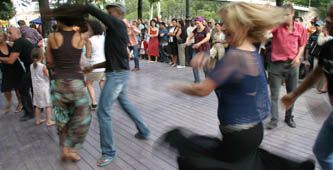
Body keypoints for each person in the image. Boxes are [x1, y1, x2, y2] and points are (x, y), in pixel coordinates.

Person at [160, 3, 315, 170]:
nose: (224, 28)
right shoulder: (251, 48)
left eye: (228, 24)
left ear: (243, 27)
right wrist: (209, 62)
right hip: (251, 131)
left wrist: (177, 86)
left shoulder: (235, 57)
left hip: (240, 135)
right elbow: (235, 79)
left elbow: (202, 89)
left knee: (194, 162)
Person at [58, 3, 150, 167]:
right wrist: (92, 67)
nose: (106, 15)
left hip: (116, 76)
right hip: (117, 73)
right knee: (125, 103)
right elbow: (113, 60)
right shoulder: (114, 31)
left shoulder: (117, 24)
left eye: (109, 12)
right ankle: (144, 130)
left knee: (102, 112)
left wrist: (82, 6)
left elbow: (92, 10)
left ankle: (108, 152)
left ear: (116, 13)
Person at [281, 5, 333, 170]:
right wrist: (294, 94)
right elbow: (317, 73)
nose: (328, 20)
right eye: (329, 15)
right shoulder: (328, 47)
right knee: (321, 152)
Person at [45, 6, 92, 161]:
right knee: (82, 117)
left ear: (58, 19)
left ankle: (65, 149)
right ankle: (72, 149)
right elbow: (92, 30)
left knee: (61, 117)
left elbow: (50, 61)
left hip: (57, 84)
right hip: (76, 84)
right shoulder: (80, 35)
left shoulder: (52, 37)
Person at [266, 4, 307, 129]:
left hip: (293, 65)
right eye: (282, 15)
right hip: (276, 65)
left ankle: (289, 117)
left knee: (292, 93)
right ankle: (273, 120)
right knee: (274, 95)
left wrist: (298, 56)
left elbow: (302, 44)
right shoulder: (277, 26)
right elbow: (266, 32)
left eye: (287, 15)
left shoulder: (300, 28)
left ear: (293, 13)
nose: (284, 17)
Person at [0, 27, 34, 121]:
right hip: (32, 67)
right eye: (8, 33)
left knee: (23, 89)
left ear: (17, 33)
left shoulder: (18, 43)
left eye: (10, 33)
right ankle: (36, 108)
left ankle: (29, 113)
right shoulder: (21, 41)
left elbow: (11, 60)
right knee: (30, 88)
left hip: (30, 68)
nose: (8, 35)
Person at [30, 48, 54, 126]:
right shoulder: (43, 66)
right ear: (41, 56)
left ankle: (37, 120)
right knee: (48, 104)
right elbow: (48, 76)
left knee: (37, 105)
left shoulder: (31, 66)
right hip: (44, 88)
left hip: (36, 88)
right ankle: (48, 121)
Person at [85, 20, 106, 109]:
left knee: (89, 83)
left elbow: (88, 55)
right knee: (102, 82)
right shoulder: (103, 37)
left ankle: (94, 102)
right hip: (104, 64)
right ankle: (106, 102)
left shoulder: (89, 40)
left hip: (94, 65)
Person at [0, 31, 22, 114]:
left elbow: (16, 55)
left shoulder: (10, 44)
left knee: (17, 88)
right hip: (5, 70)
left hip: (16, 68)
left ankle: (20, 103)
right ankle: (9, 102)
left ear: (4, 37)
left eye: (0, 36)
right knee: (6, 88)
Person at [185, 16, 211, 83]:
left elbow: (208, 38)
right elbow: (190, 36)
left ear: (202, 22)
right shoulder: (196, 29)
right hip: (196, 49)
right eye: (196, 23)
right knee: (194, 64)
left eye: (198, 23)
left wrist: (199, 43)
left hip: (205, 49)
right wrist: (187, 41)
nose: (197, 24)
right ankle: (197, 80)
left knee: (206, 68)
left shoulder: (206, 29)